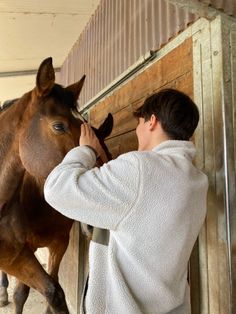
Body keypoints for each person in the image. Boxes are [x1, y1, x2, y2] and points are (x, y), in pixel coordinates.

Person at [44, 88, 208, 314]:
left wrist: (86, 151)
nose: (138, 130)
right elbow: (136, 211)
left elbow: (56, 189)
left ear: (152, 121)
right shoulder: (197, 181)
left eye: (139, 123)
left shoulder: (140, 168)